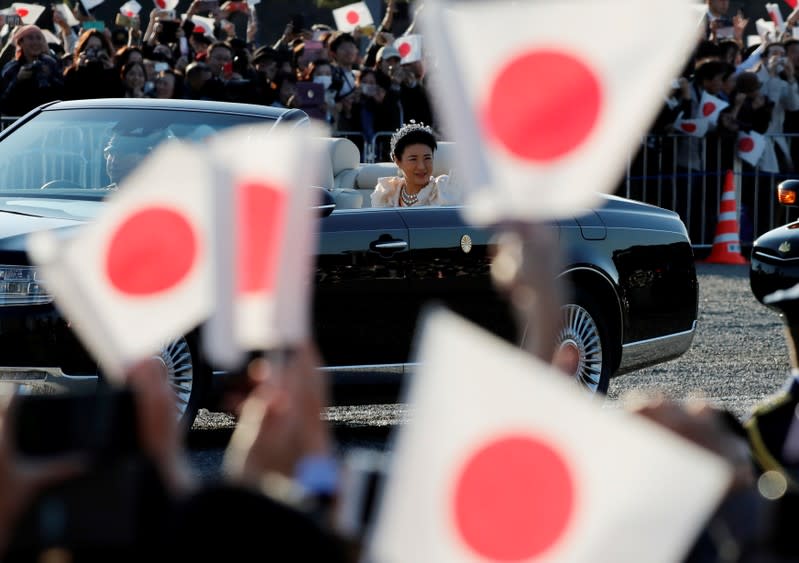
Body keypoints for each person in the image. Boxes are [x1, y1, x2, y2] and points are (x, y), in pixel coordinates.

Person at [371, 122, 457, 208]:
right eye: (413, 159)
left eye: (427, 158)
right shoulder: (387, 194)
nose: (421, 167)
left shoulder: (443, 191)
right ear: (397, 160)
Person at [0, 25, 64, 117]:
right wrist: (18, 80)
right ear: (20, 42)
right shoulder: (11, 68)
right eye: (30, 38)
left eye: (39, 38)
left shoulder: (51, 63)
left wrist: (49, 77)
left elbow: (63, 94)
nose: (35, 42)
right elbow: (4, 103)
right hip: (20, 121)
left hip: (48, 118)